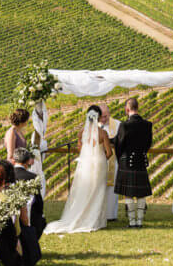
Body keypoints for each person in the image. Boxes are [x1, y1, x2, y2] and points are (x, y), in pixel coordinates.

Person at [45, 105, 113, 234]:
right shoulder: (103, 133)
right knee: (98, 191)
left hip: (85, 164)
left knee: (84, 190)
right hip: (99, 164)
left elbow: (80, 150)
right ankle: (97, 220)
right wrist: (102, 158)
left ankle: (82, 216)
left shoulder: (82, 132)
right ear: (98, 117)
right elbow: (109, 152)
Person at [114, 97, 153, 229]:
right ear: (137, 108)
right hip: (141, 161)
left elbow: (119, 145)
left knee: (129, 193)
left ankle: (132, 222)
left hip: (127, 162)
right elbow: (148, 144)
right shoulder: (148, 125)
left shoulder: (124, 125)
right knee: (141, 193)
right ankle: (140, 221)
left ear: (127, 109)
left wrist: (120, 159)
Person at [13, 148, 46, 238]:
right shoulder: (32, 177)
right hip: (30, 216)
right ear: (28, 161)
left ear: (14, 159)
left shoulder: (9, 175)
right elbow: (38, 201)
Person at [98, 103, 121, 221]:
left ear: (109, 114)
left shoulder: (117, 125)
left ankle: (111, 215)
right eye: (101, 117)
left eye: (106, 116)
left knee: (112, 190)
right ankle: (98, 214)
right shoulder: (95, 125)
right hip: (97, 163)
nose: (103, 119)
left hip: (113, 162)